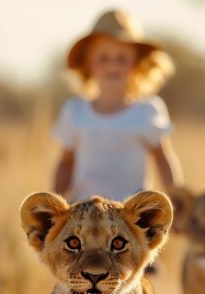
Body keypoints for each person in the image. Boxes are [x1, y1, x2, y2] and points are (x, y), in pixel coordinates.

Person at [52, 9, 183, 204]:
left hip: (131, 217)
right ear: (89, 63)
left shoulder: (147, 111)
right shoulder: (75, 112)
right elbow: (65, 163)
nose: (112, 65)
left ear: (135, 64)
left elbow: (163, 159)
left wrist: (177, 204)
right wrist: (55, 206)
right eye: (103, 58)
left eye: (121, 58)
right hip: (83, 214)